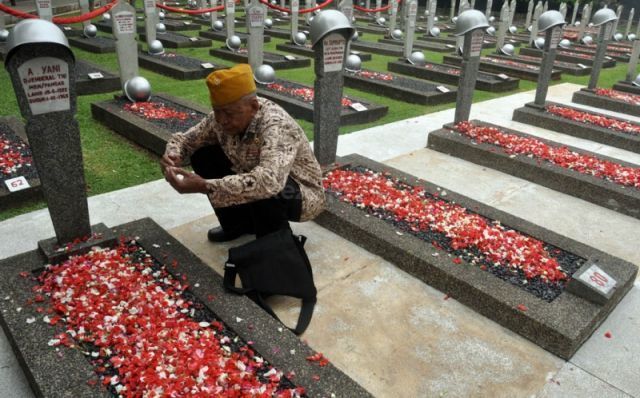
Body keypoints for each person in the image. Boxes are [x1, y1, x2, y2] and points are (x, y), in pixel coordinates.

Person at [161, 64, 325, 242]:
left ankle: (274, 245)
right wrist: (173, 156)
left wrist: (206, 186)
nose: (222, 120)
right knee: (203, 153)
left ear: (253, 106)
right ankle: (238, 226)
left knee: (265, 186)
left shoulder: (276, 124)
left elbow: (270, 181)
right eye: (217, 112)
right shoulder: (219, 119)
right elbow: (186, 140)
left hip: (299, 194)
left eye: (229, 113)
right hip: (253, 176)